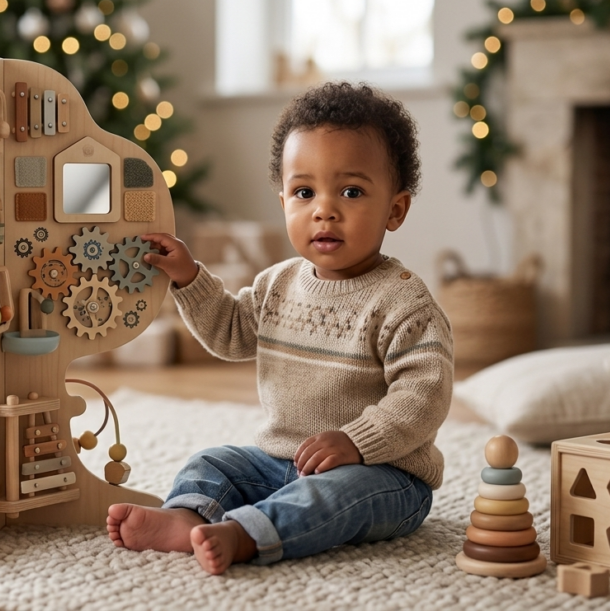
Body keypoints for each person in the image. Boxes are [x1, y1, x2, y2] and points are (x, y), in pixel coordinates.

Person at [106, 82, 453, 575]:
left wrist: (355, 442)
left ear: (395, 209)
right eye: (304, 192)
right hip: (280, 464)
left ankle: (248, 535)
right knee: (215, 462)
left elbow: (425, 394)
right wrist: (188, 278)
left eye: (351, 192)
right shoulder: (277, 283)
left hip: (382, 474)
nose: (324, 209)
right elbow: (229, 333)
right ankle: (185, 517)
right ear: (284, 199)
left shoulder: (402, 301)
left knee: (338, 494)